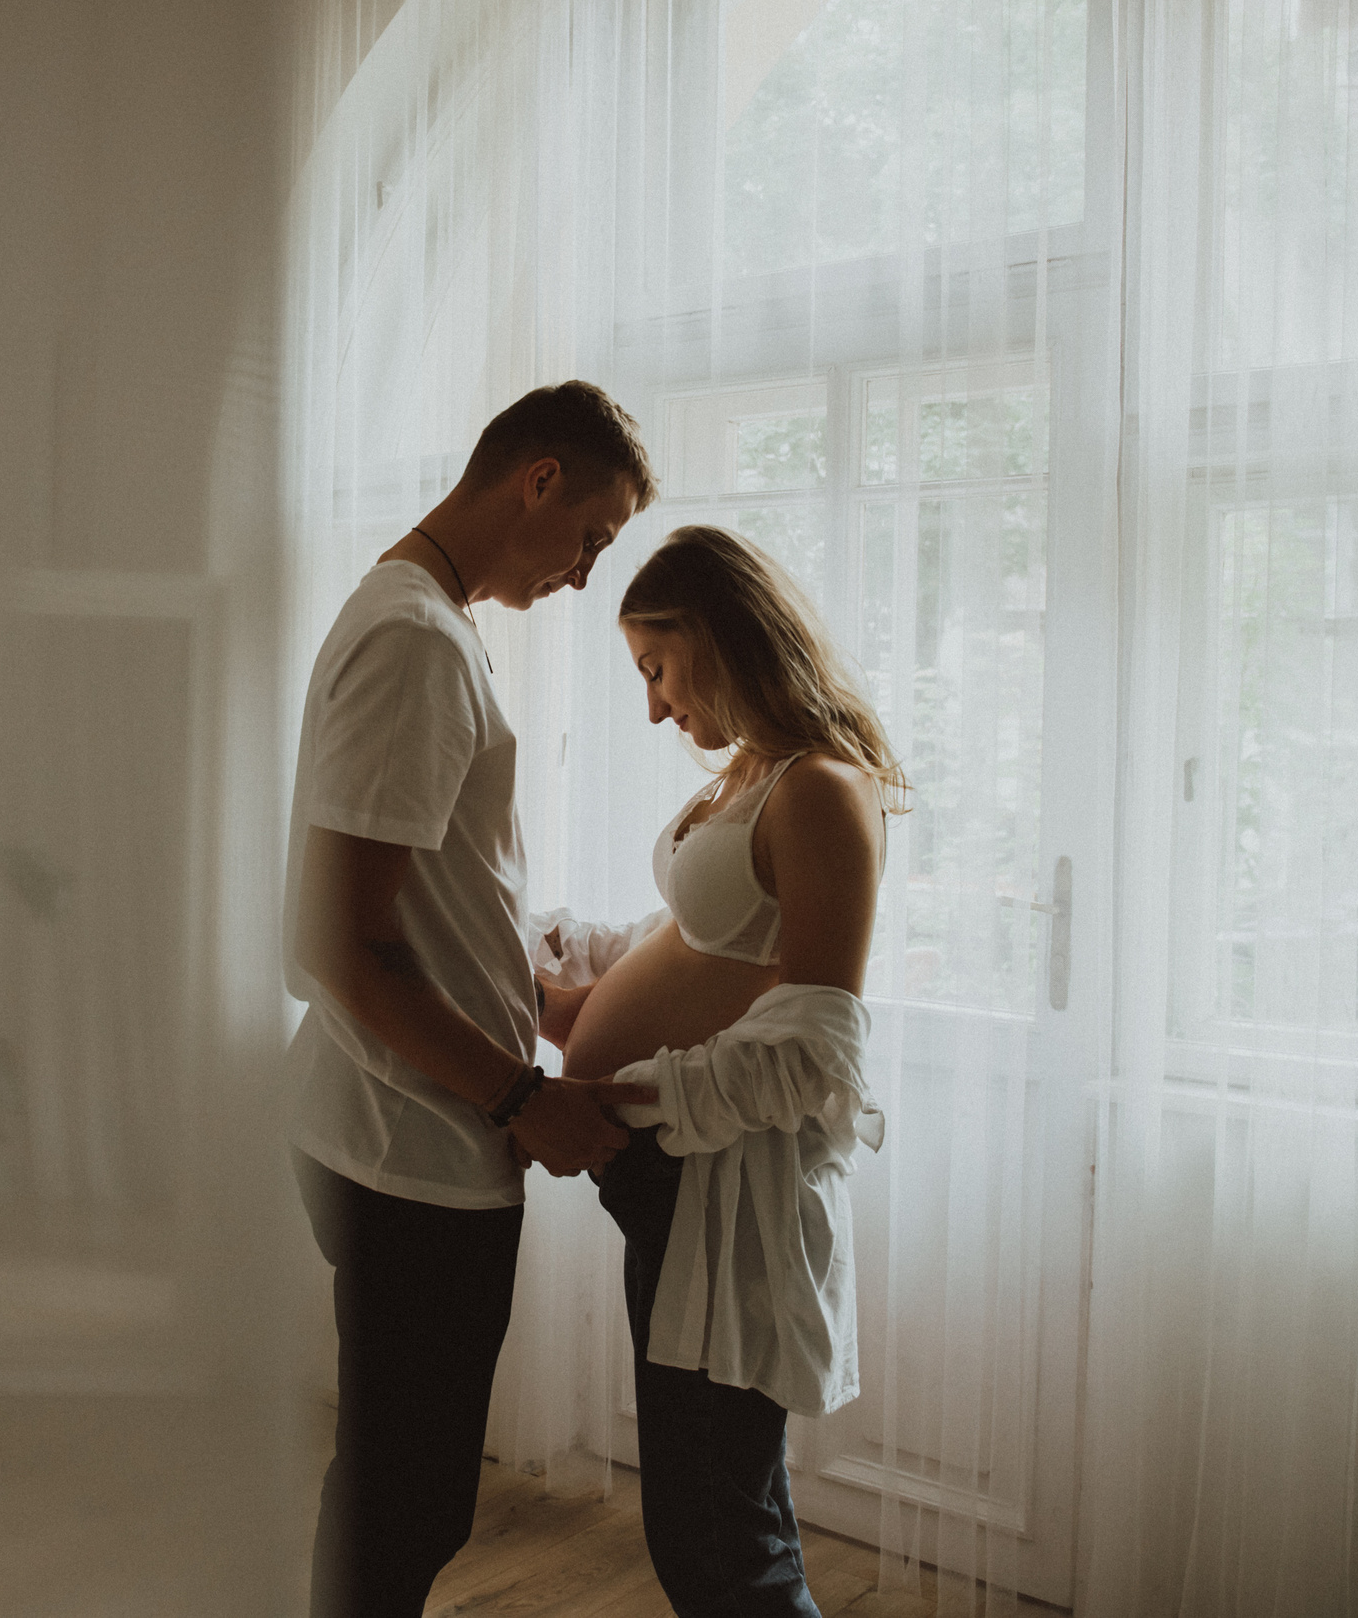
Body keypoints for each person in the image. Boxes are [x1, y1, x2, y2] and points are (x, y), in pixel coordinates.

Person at [284, 381, 662, 1618]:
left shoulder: (428, 620)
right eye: (593, 538)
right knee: (408, 1496)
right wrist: (519, 1096)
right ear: (537, 479)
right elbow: (339, 943)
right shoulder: (414, 639)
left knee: (409, 1486)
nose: (583, 577)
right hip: (413, 1144)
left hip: (416, 1127)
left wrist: (532, 993)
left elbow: (432, 889)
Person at [532, 524, 901, 1618]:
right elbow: (698, 946)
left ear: (716, 635)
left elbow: (816, 1045)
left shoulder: (821, 788)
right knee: (709, 1512)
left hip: (724, 1188)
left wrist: (628, 1091)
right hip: (673, 1179)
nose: (651, 706)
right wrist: (573, 989)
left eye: (655, 667)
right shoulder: (751, 774)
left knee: (718, 1534)